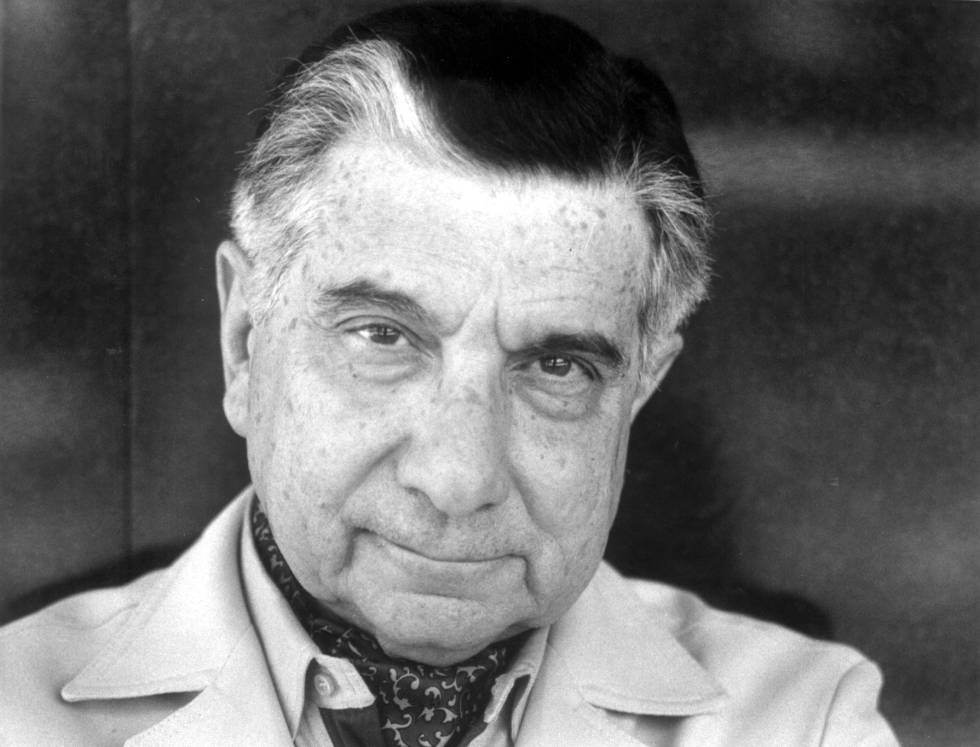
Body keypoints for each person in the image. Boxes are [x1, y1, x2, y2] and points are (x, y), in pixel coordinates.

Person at [0, 3, 898, 745]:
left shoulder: (803, 720)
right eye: (384, 337)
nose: (459, 479)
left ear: (641, 388)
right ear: (243, 339)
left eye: (556, 365)